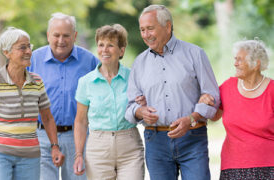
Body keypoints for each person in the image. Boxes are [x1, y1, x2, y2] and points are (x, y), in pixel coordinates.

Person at [125, 4, 220, 180]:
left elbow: (212, 96)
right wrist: (141, 111)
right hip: (156, 141)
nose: (146, 35)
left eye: (150, 28)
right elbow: (130, 107)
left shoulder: (195, 54)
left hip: (193, 137)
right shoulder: (139, 63)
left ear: (167, 26)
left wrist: (191, 118)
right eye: (142, 30)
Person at [0, 27, 64, 180]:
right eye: (22, 47)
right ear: (6, 52)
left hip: (30, 154)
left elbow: (47, 118)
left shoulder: (37, 82)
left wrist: (54, 146)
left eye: (29, 46)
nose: (28, 51)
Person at [27, 13, 98, 180]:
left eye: (66, 35)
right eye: (56, 35)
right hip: (41, 137)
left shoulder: (89, 62)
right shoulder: (33, 60)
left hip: (77, 138)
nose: (61, 40)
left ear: (74, 36)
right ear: (48, 35)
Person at [73, 24, 144, 180]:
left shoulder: (133, 78)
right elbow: (80, 121)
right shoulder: (86, 82)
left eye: (110, 45)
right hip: (98, 149)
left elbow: (142, 110)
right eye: (101, 45)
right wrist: (79, 154)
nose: (104, 50)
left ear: (121, 50)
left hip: (130, 147)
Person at [199, 39, 274, 179]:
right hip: (232, 167)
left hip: (268, 167)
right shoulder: (228, 87)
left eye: (240, 60)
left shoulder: (272, 91)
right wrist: (205, 100)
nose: (235, 63)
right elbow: (214, 116)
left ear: (256, 63)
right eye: (235, 59)